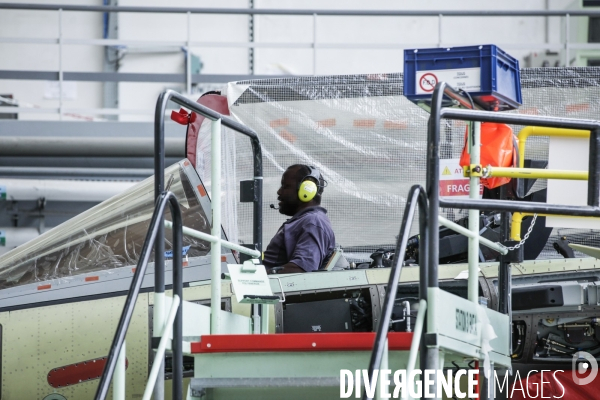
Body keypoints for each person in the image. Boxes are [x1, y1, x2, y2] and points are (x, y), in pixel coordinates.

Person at [263, 164, 335, 274]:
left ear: (306, 191)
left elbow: (301, 269)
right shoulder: (304, 221)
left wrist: (256, 277)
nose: (279, 192)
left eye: (285, 186)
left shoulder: (313, 222)